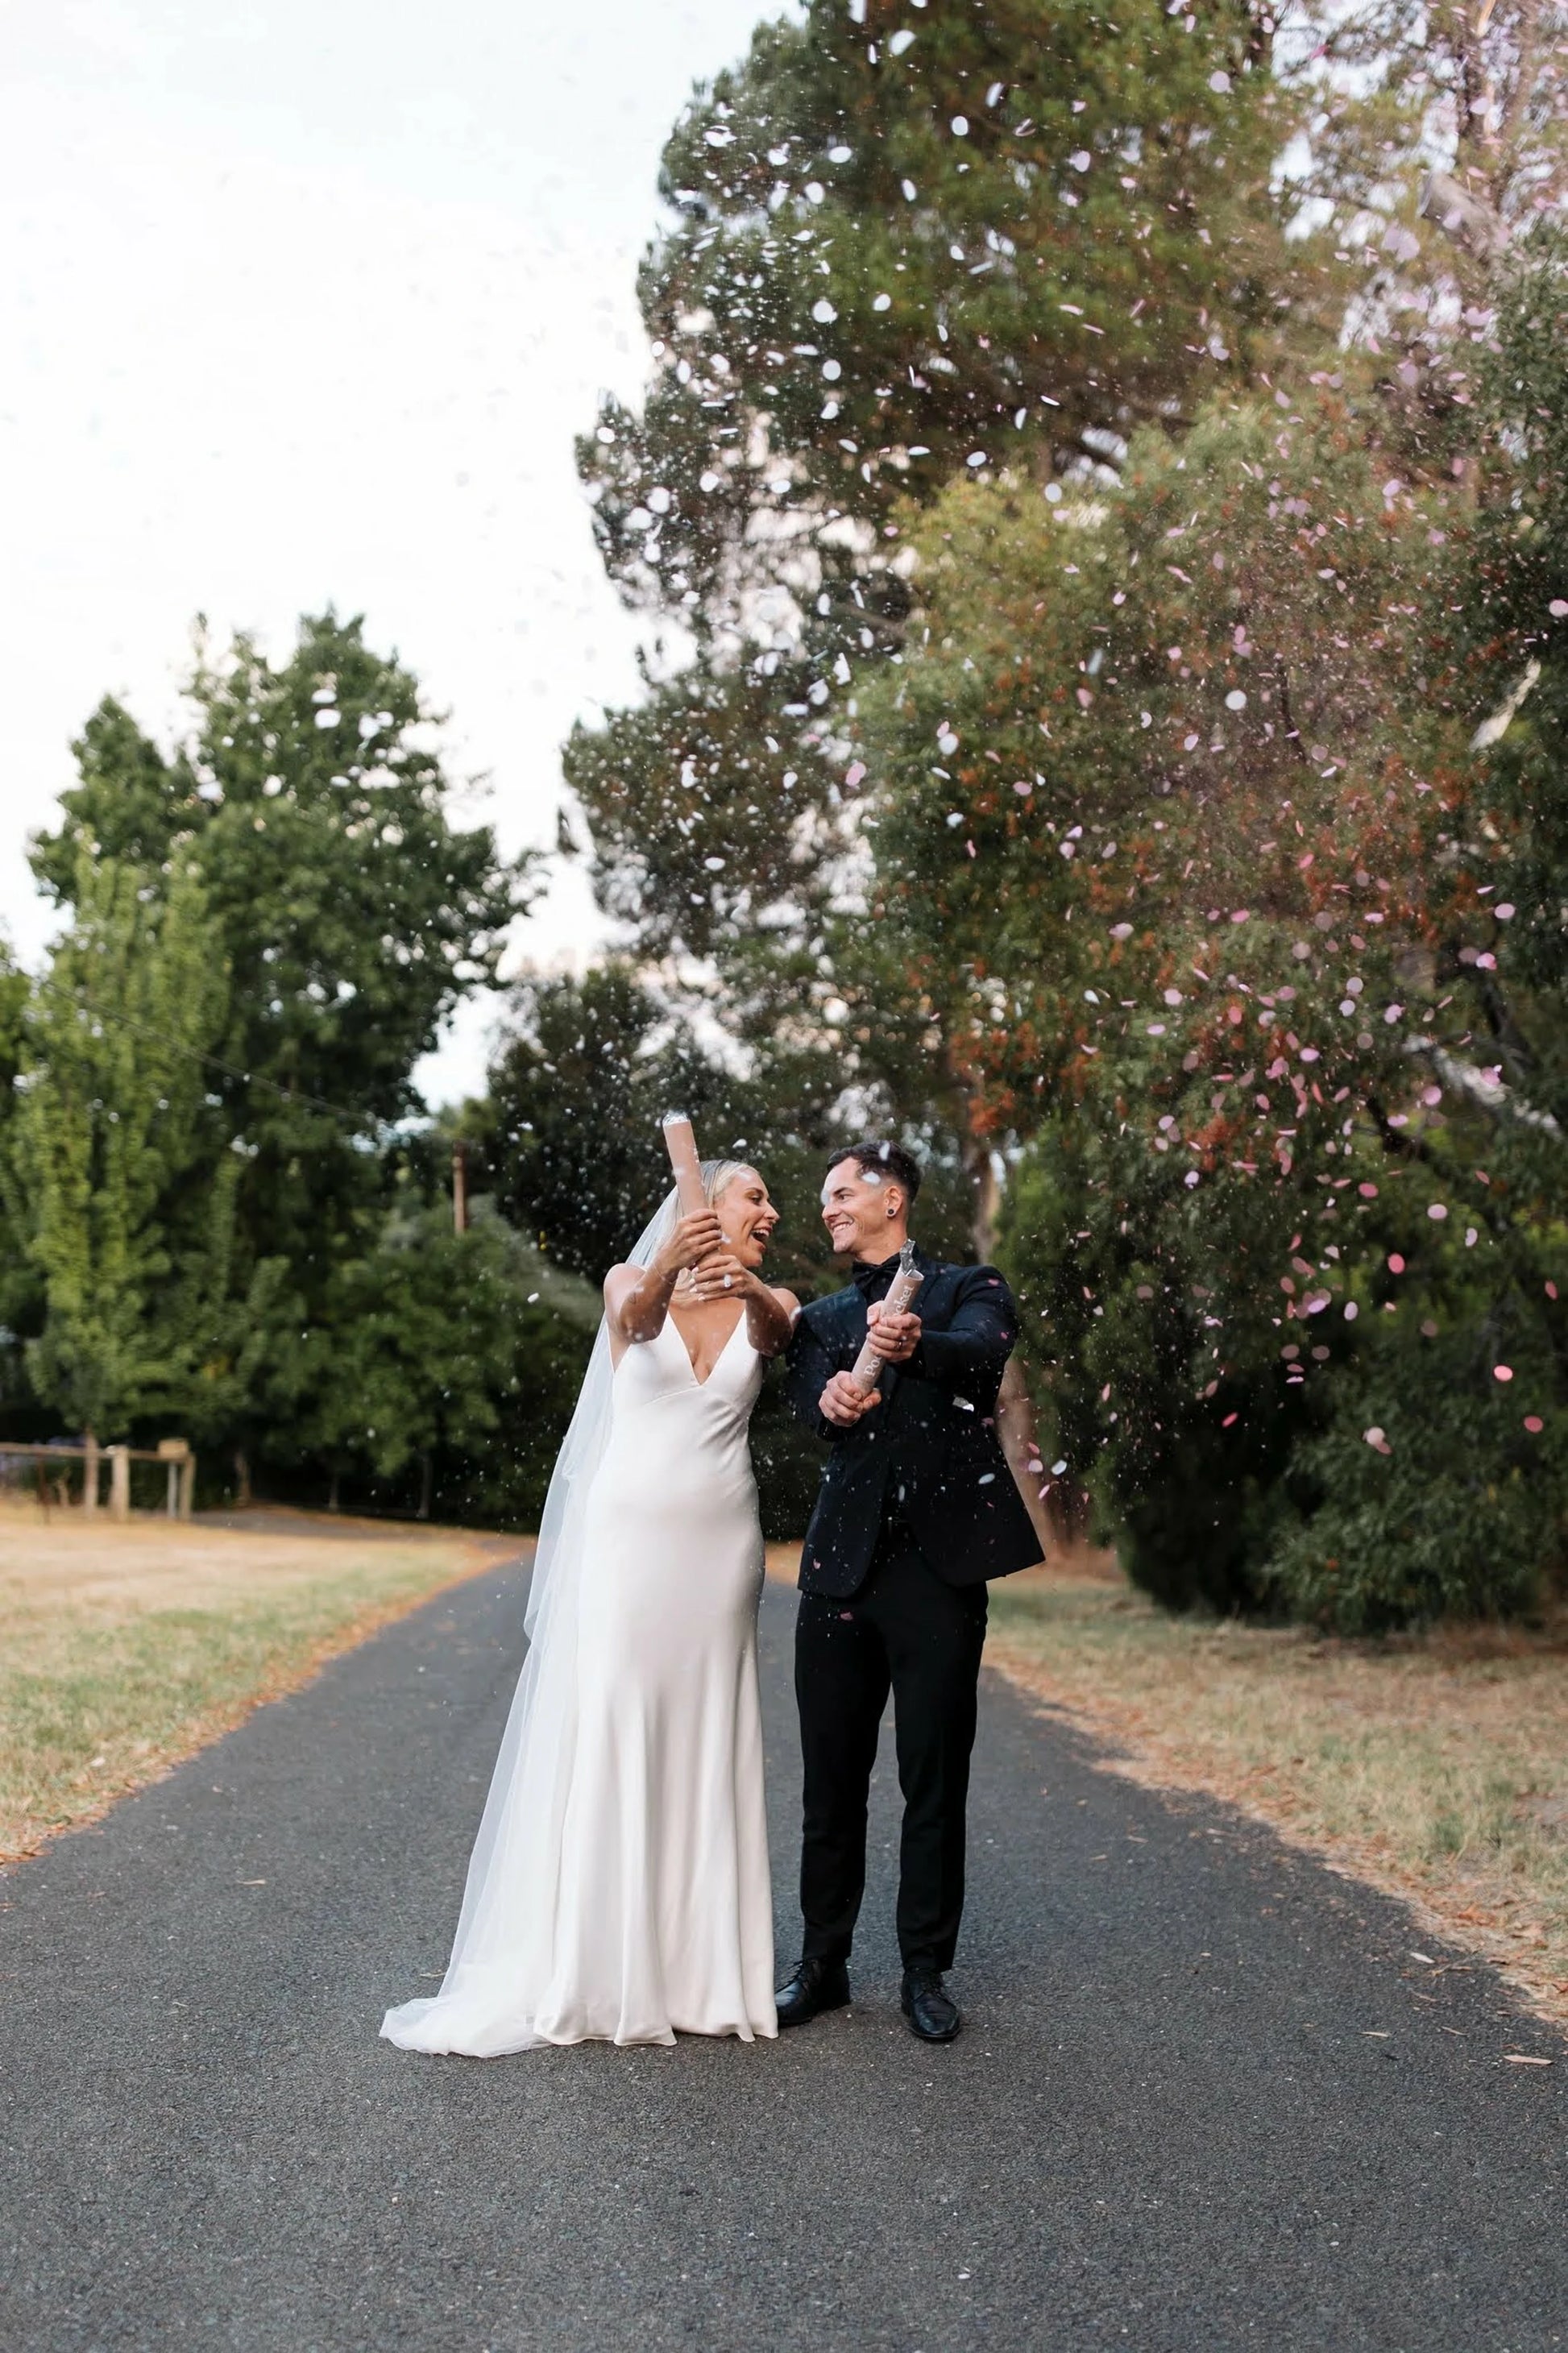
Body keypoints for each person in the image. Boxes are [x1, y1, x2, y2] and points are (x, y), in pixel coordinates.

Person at [381, 1161, 797, 2054]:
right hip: (625, 1547)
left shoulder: (773, 1297)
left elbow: (779, 1331)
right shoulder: (625, 1279)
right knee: (615, 1724)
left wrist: (749, 1282)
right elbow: (633, 1318)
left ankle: (701, 1974)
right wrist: (665, 1269)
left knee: (705, 1733)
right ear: (705, 1204)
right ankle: (600, 1967)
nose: (771, 1209)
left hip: (719, 1549)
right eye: (754, 1195)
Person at [775, 1140, 1043, 2044]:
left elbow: (982, 1352)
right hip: (839, 1575)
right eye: (823, 1198)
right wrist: (836, 1404)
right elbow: (813, 1405)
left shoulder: (969, 1286)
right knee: (829, 1781)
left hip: (936, 1572)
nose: (828, 1207)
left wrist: (914, 1340)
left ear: (893, 1197)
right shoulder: (815, 1320)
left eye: (841, 1192)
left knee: (932, 1776)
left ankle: (924, 1971)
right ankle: (821, 1966)